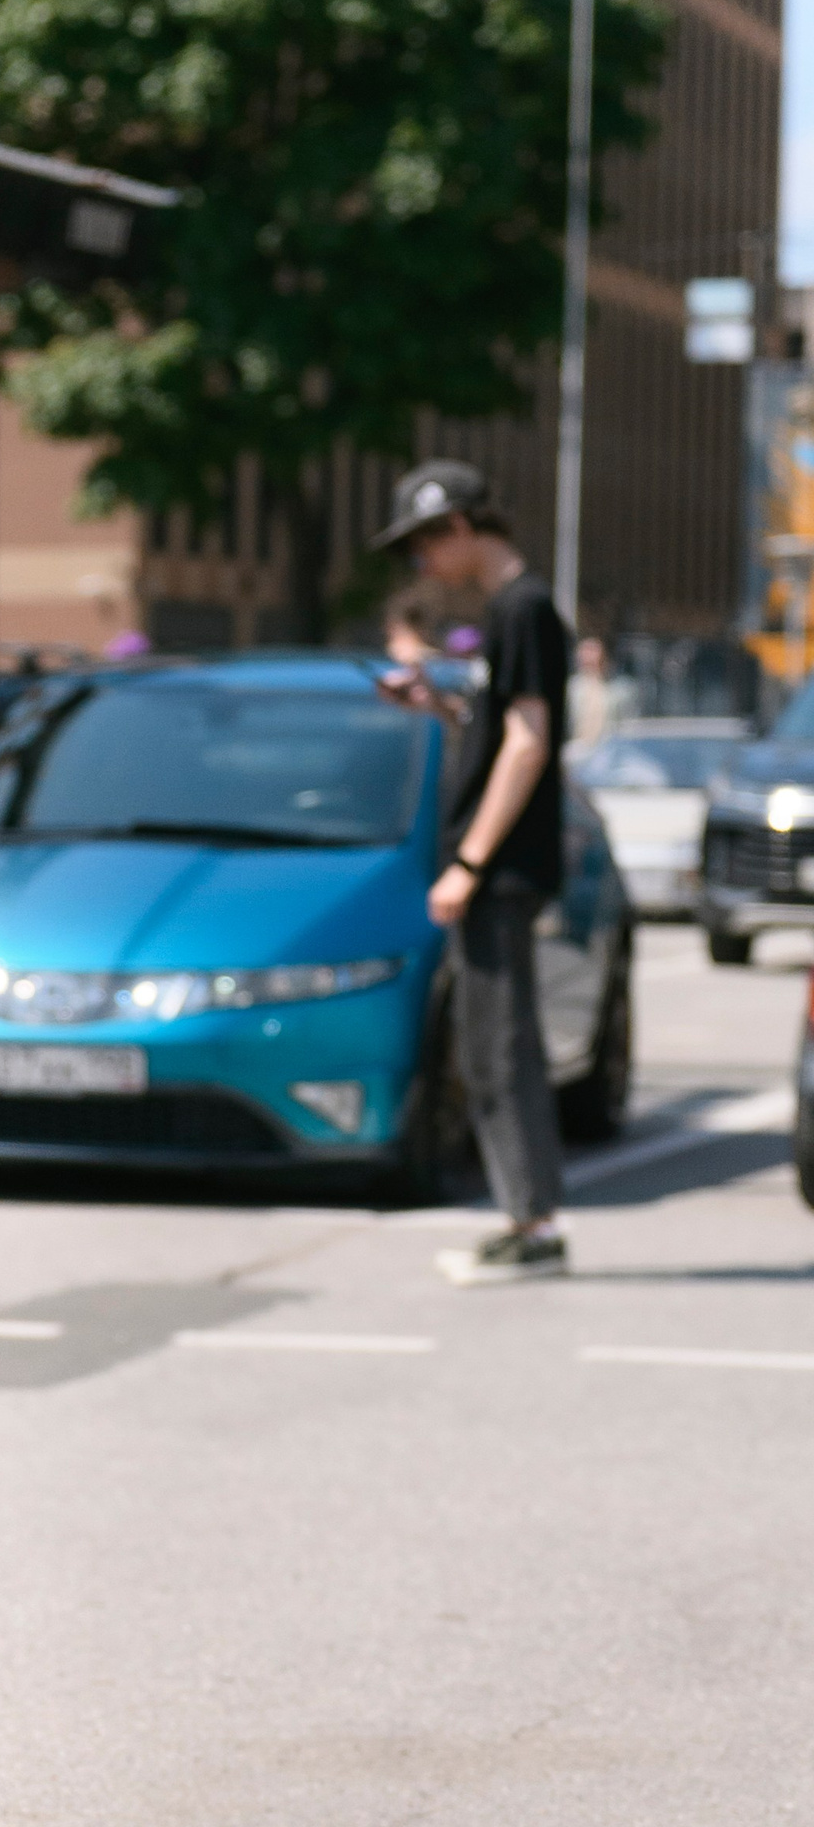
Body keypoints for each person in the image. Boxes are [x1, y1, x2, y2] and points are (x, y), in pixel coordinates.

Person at [373, 459, 572, 1285]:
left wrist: (468, 862)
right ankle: (526, 1218)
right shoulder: (509, 615)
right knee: (494, 1042)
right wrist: (443, 708)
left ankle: (529, 1226)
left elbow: (529, 743)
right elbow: (502, 730)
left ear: (458, 526)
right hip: (500, 868)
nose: (422, 562)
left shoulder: (524, 610)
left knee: (498, 1046)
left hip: (503, 871)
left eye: (423, 543)